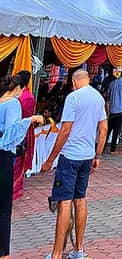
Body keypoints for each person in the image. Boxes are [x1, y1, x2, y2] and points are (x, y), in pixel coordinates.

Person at [41, 69, 107, 259]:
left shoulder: (73, 98)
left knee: (64, 202)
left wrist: (50, 159)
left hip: (70, 156)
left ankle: (56, 253)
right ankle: (78, 249)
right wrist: (98, 155)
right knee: (81, 199)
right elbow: (103, 128)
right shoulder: (98, 98)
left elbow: (65, 130)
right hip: (87, 156)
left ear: (75, 81)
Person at [0, 75, 44, 259]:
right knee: (3, 207)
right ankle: (3, 252)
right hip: (3, 155)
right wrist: (30, 120)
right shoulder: (12, 104)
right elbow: (10, 134)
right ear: (17, 88)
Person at [11, 70, 35, 202]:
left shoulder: (19, 97)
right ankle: (15, 189)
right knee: (18, 162)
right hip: (23, 131)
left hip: (19, 131)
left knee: (17, 161)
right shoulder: (28, 97)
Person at [105, 67, 122, 154]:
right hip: (121, 110)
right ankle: (113, 149)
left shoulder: (112, 83)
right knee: (116, 130)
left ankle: (102, 147)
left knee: (108, 130)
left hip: (112, 109)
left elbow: (108, 96)